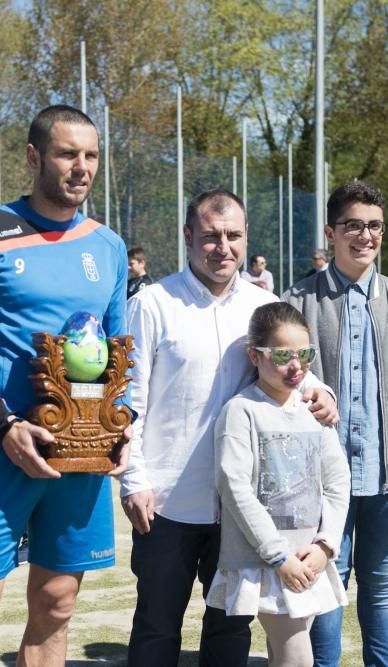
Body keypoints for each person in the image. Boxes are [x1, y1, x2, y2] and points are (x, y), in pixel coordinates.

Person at [0, 105, 130, 666]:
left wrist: (120, 423)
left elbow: (116, 350)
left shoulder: (108, 247)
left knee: (57, 605)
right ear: (35, 157)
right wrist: (4, 425)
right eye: (68, 154)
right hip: (2, 450)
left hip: (79, 456)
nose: (81, 167)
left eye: (90, 156)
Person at [121, 188, 339, 666]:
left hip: (243, 510)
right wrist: (132, 481)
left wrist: (320, 391)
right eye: (210, 236)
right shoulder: (153, 304)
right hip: (167, 502)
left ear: (245, 238)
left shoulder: (263, 302)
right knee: (156, 628)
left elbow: (290, 361)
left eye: (233, 235)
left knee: (230, 633)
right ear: (187, 237)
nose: (223, 246)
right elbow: (128, 402)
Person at [282, 180, 388, 666]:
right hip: (317, 481)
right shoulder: (296, 301)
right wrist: (312, 391)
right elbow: (278, 381)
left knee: (381, 586)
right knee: (326, 585)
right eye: (352, 225)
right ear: (331, 232)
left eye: (373, 226)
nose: (364, 236)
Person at [207, 302, 350, 667]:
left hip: (309, 560)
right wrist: (278, 555)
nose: (295, 366)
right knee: (297, 657)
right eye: (282, 355)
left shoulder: (312, 410)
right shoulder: (241, 411)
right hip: (264, 562)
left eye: (305, 354)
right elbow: (234, 486)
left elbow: (337, 480)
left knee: (286, 655)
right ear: (254, 356)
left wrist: (326, 546)